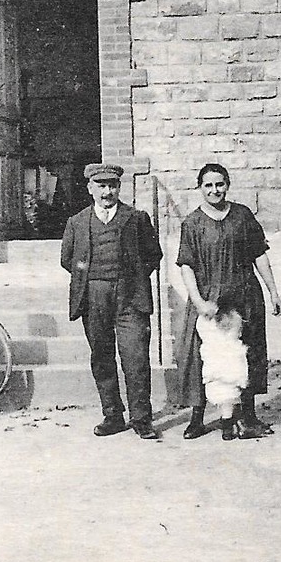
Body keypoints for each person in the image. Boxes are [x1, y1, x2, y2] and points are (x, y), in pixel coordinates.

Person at [176, 163, 281, 441]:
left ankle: (247, 417)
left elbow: (259, 254)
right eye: (208, 185)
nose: (215, 190)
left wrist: (273, 291)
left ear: (228, 184)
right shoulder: (192, 223)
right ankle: (197, 418)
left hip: (244, 295)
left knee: (247, 355)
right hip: (208, 298)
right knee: (201, 357)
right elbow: (186, 265)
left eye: (220, 184)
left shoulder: (242, 216)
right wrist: (199, 301)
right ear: (200, 188)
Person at [60, 163, 164, 439]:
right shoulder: (78, 222)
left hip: (130, 297)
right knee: (102, 358)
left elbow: (153, 254)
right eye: (101, 186)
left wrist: (133, 277)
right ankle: (113, 415)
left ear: (119, 187)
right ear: (90, 188)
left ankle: (141, 418)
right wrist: (93, 280)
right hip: (93, 297)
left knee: (136, 357)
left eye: (112, 186)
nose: (107, 192)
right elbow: (67, 259)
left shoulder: (136, 218)